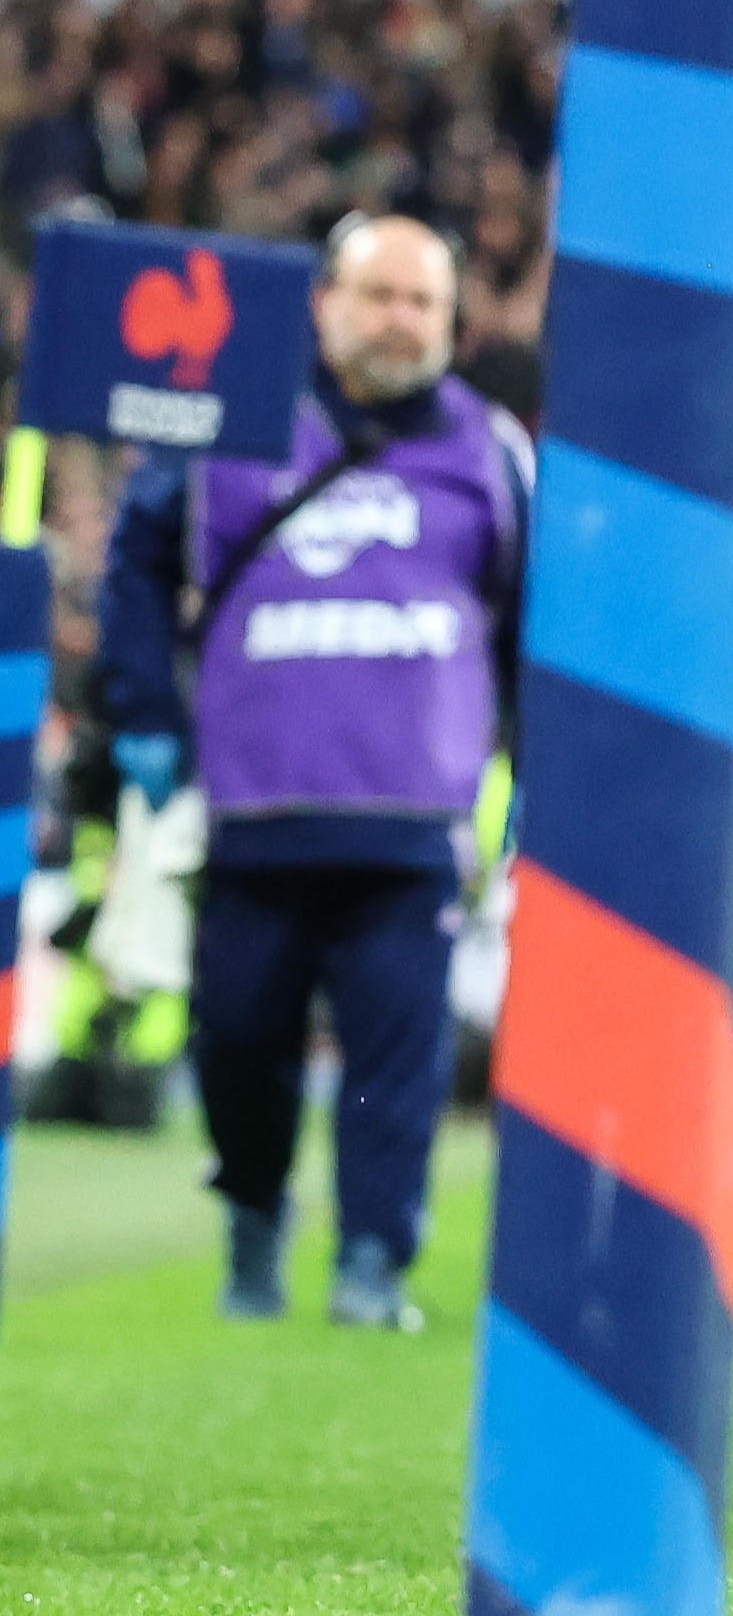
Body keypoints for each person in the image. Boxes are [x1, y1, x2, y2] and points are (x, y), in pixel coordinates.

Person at [96, 213, 531, 1330]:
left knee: (400, 1064)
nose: (401, 321)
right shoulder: (227, 431)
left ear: (451, 320)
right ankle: (252, 1228)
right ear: (325, 303)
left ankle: (372, 1265)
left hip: (412, 817)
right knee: (238, 1040)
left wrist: (534, 772)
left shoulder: (491, 449)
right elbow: (138, 562)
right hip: (254, 804)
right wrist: (145, 712)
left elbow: (530, 625)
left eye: (423, 303)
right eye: (380, 296)